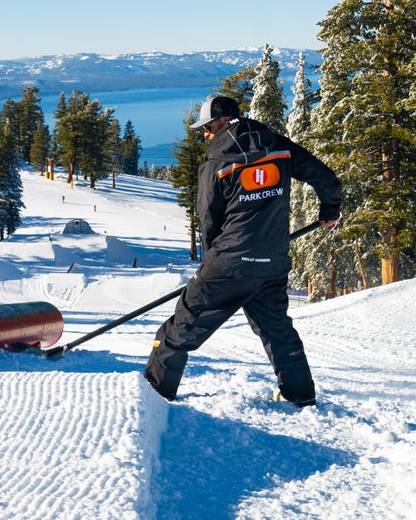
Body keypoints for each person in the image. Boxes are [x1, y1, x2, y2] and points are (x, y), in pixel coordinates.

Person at [144, 95, 341, 406]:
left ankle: (151, 397)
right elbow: (325, 177)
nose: (206, 134)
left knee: (176, 333)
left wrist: (211, 263)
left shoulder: (216, 162)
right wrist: (330, 209)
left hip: (229, 265)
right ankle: (301, 397)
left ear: (220, 122)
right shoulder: (277, 145)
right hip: (271, 263)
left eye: (206, 127)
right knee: (277, 330)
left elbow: (208, 217)